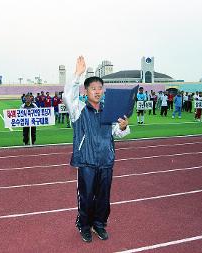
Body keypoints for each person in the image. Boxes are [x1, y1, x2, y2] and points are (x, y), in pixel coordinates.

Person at [63, 56, 130, 243]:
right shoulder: (78, 109)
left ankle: (99, 224)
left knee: (103, 197)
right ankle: (84, 226)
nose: (98, 91)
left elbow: (118, 132)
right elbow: (68, 96)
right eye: (93, 88)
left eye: (100, 88)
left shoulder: (109, 110)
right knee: (85, 198)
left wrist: (124, 126)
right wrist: (77, 74)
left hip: (106, 161)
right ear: (86, 91)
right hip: (86, 161)